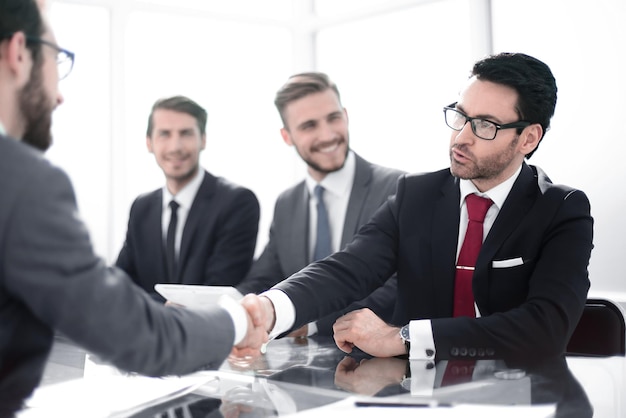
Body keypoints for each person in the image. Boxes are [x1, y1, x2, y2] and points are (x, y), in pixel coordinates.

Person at [235, 52, 594, 365]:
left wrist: (403, 337)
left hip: (522, 396)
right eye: (460, 116)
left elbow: (544, 328)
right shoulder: (416, 195)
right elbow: (348, 269)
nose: (461, 137)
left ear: (528, 138)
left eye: (485, 125)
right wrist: (268, 311)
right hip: (418, 396)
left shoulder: (562, 210)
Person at [0, 0, 265, 412]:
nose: (60, 95)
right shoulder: (24, 182)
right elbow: (132, 328)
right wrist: (239, 319)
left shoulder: (235, 201)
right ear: (18, 51)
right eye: (58, 58)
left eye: (185, 133)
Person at [236, 72, 404, 336]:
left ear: (345, 116)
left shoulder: (396, 187)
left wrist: (311, 324)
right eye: (309, 126)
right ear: (287, 136)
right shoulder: (287, 203)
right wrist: (223, 308)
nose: (327, 135)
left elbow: (399, 285)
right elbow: (263, 278)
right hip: (300, 366)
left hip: (377, 361)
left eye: (333, 118)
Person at [116, 96, 260, 301]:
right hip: (148, 333)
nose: (176, 146)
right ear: (149, 143)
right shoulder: (142, 208)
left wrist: (138, 307)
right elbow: (120, 283)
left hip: (207, 331)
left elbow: (214, 295)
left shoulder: (237, 203)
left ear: (203, 139)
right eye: (164, 134)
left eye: (186, 133)